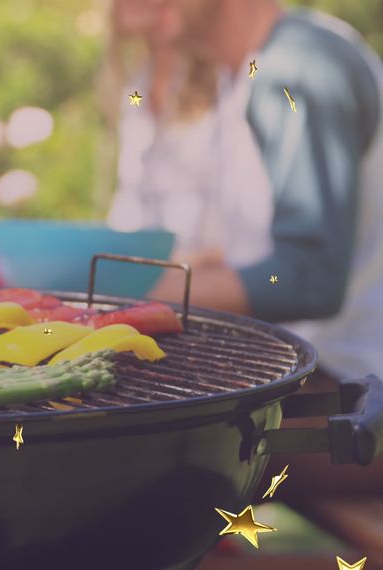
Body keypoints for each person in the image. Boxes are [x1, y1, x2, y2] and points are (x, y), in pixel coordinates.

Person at [104, 0, 383, 560]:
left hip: (357, 399)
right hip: (328, 388)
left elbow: (309, 279)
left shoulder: (298, 66)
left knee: (104, 461)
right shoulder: (253, 73)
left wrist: (130, 299)